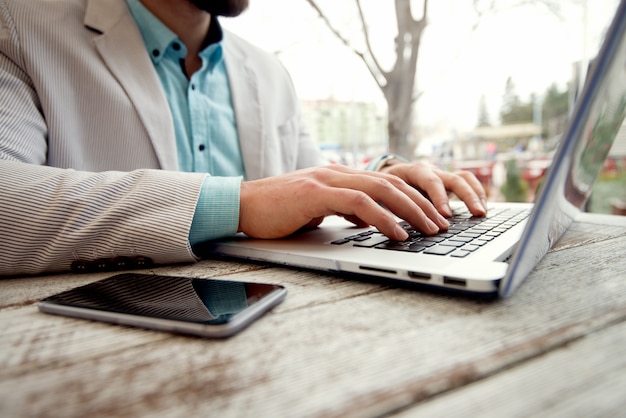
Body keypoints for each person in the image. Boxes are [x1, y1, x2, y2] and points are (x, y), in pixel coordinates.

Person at [0, 0, 487, 276]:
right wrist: (237, 203)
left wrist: (381, 182)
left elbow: (309, 188)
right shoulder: (21, 25)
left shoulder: (268, 70)